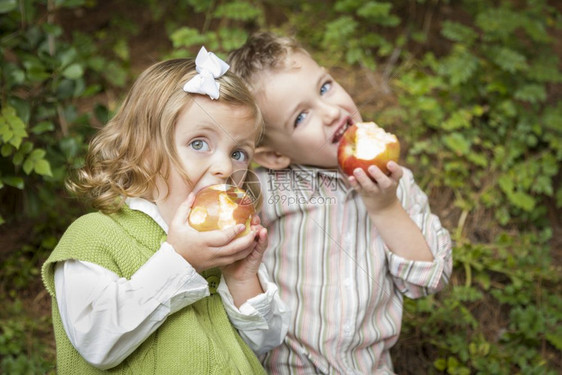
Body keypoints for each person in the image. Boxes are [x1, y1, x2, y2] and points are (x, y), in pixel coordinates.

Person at [41, 47, 289, 375]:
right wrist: (181, 260)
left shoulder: (223, 247)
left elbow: (263, 343)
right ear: (143, 151)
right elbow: (97, 341)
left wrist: (242, 279)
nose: (224, 166)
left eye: (239, 153)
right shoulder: (94, 236)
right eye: (199, 144)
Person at [228, 32, 453, 374]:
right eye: (301, 117)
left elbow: (428, 280)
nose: (331, 112)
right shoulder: (264, 192)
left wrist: (384, 207)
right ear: (274, 155)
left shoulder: (394, 182)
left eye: (324, 87)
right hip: (288, 366)